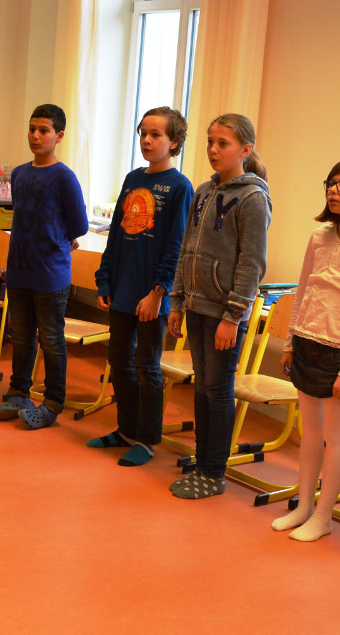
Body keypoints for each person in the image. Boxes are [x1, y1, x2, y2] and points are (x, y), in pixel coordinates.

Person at [167, 113, 271, 500]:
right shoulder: (204, 192)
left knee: (218, 390)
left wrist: (233, 315)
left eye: (222, 143)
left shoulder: (253, 198)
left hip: (225, 314)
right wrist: (177, 301)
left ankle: (214, 472)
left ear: (244, 150)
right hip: (195, 306)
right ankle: (204, 457)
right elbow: (186, 249)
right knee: (202, 388)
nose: (213, 149)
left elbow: (252, 263)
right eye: (210, 141)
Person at [89, 107, 192, 466]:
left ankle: (147, 439)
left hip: (153, 295)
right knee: (119, 361)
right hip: (122, 288)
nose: (147, 141)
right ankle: (126, 429)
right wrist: (105, 278)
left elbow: (175, 245)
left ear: (173, 142)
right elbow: (116, 234)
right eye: (143, 134)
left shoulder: (180, 187)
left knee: (147, 366)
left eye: (156, 135)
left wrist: (159, 292)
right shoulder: (133, 178)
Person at [0, 104, 88, 429]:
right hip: (19, 269)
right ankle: (19, 391)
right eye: (32, 128)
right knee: (21, 336)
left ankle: (52, 402)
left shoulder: (64, 177)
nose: (36, 135)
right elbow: (22, 219)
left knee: (51, 337)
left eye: (44, 130)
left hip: (50, 272)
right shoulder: (19, 173)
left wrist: (62, 239)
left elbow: (79, 225)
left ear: (58, 136)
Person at [270, 163, 340, 540]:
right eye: (331, 183)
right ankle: (305, 506)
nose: (334, 190)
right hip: (308, 342)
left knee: (335, 436)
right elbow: (301, 293)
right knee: (310, 432)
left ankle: (324, 517)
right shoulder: (319, 236)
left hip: (338, 352)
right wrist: (291, 342)